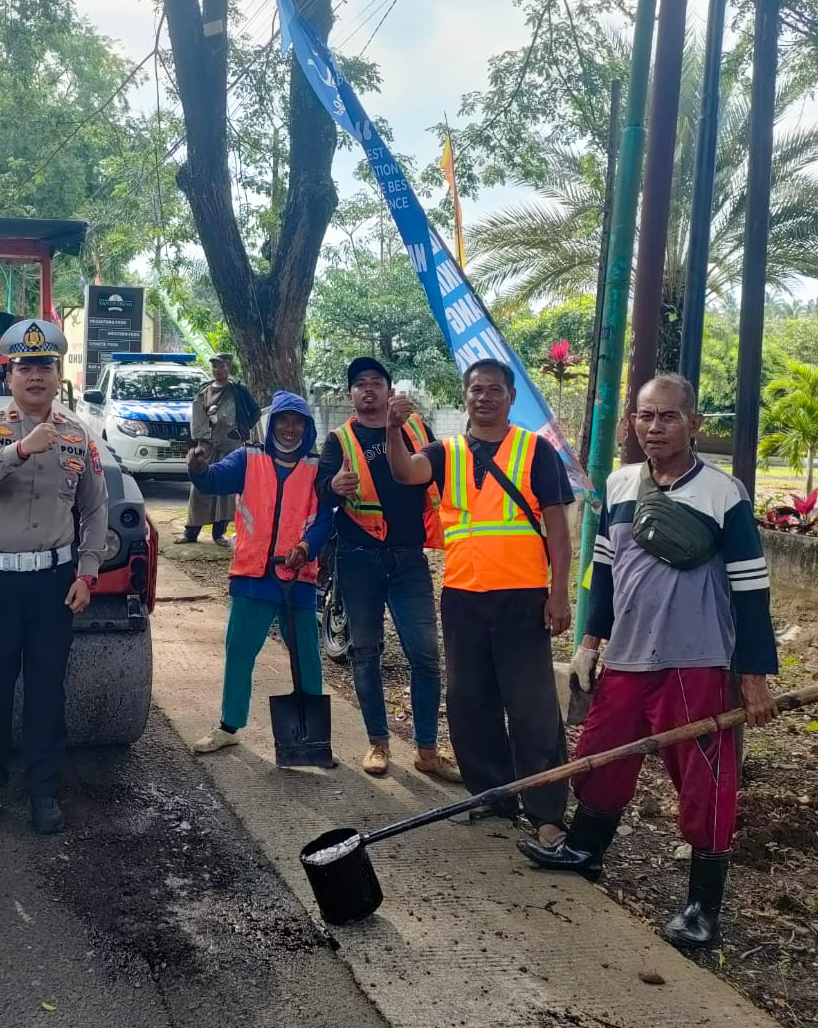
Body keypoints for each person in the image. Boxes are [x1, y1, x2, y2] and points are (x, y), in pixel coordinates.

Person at [519, 373, 778, 948]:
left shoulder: (722, 493)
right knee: (602, 754)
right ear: (631, 423)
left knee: (703, 778)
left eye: (667, 416)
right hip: (629, 655)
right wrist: (590, 642)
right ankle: (585, 850)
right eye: (645, 416)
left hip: (697, 659)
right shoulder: (618, 484)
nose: (655, 427)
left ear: (694, 423)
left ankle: (702, 906)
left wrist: (753, 677)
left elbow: (751, 586)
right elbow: (604, 572)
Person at [385, 359, 575, 848]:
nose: (484, 397)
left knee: (533, 708)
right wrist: (392, 429)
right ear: (465, 395)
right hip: (464, 597)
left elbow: (556, 527)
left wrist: (559, 593)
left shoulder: (536, 452)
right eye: (476, 389)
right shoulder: (445, 452)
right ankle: (490, 795)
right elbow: (406, 472)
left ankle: (546, 811)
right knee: (471, 702)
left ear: (511, 397)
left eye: (495, 390)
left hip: (523, 598)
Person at [0, 319, 107, 836]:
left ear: (57, 375)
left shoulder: (77, 437)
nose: (35, 376)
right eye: (25, 367)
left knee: (47, 690)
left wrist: (87, 573)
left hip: (53, 583)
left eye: (45, 366)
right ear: (10, 376)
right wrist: (21, 448)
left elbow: (95, 509)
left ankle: (43, 791)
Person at [316, 357, 460, 781]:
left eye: (376, 382)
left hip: (408, 558)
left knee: (426, 655)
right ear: (351, 395)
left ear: (389, 389)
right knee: (365, 651)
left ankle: (428, 750)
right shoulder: (339, 440)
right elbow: (322, 491)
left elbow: (442, 472)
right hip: (358, 557)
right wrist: (332, 487)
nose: (368, 389)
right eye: (360, 383)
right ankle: (378, 742)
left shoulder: (416, 429)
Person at [185, 391, 334, 756]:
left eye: (297, 422)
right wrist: (198, 469)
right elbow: (215, 481)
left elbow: (327, 518)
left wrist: (306, 548)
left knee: (306, 657)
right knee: (239, 650)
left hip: (296, 576)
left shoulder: (317, 469)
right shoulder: (249, 459)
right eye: (283, 420)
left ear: (307, 427)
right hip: (253, 574)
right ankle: (229, 725)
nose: (289, 428)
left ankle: (310, 738)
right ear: (272, 424)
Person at [183, 354, 259, 545]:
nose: (217, 370)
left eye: (221, 366)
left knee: (225, 492)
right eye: (215, 366)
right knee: (199, 491)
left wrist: (241, 431)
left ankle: (219, 534)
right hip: (206, 447)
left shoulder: (239, 391)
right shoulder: (204, 391)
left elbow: (255, 412)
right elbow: (197, 419)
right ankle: (190, 533)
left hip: (230, 448)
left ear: (229, 367)